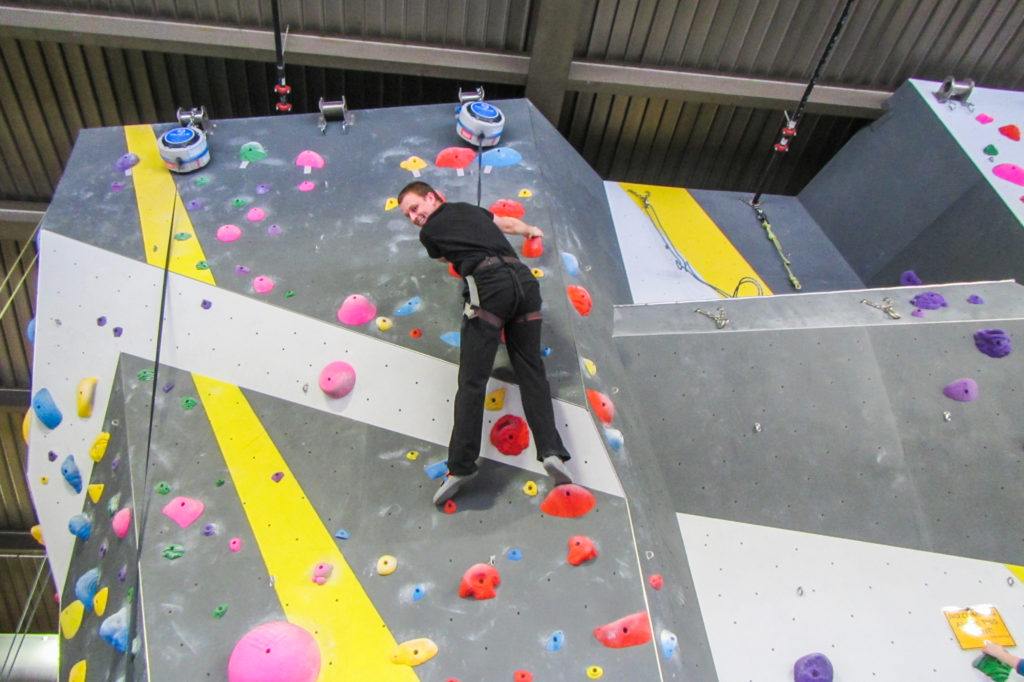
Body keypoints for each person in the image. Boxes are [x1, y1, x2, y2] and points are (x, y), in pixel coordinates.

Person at [397, 181, 573, 505]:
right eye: (409, 215)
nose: (415, 217)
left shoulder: (429, 233)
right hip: (524, 282)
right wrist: (531, 230)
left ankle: (461, 466)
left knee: (472, 381)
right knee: (531, 370)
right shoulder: (471, 210)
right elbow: (506, 224)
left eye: (415, 207)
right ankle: (552, 453)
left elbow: (444, 258)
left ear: (433, 197)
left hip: (489, 287)